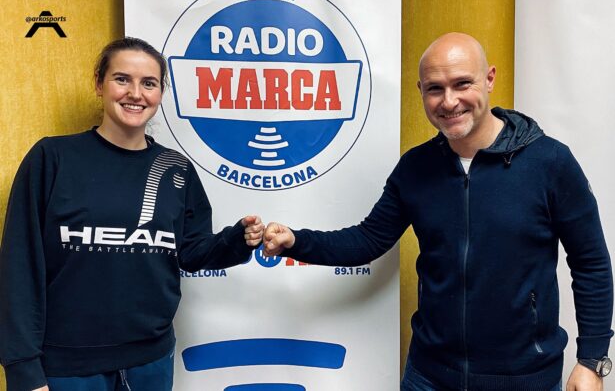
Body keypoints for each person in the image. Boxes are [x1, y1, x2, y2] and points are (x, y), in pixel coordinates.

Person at [263, 32, 613, 391]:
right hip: (429, 377)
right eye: (435, 89)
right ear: (421, 91)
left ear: (489, 79)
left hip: (524, 380)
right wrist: (296, 242)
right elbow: (368, 239)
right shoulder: (416, 167)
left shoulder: (550, 162)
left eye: (462, 84)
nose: (449, 101)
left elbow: (591, 263)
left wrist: (592, 360)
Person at [0, 37, 264, 391]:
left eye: (149, 83)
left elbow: (191, 252)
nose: (135, 93)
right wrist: (23, 369)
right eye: (122, 79)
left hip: (150, 363)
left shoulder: (176, 168)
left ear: (160, 93)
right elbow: (20, 268)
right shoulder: (52, 158)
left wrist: (237, 239)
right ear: (99, 83)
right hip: (67, 368)